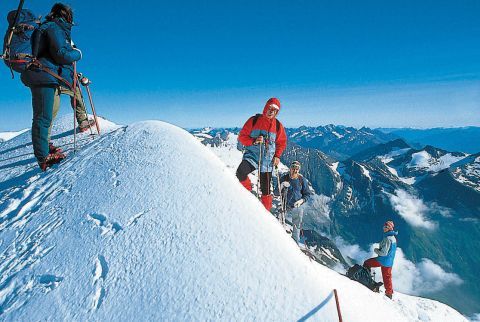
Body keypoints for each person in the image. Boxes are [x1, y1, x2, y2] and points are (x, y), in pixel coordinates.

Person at [20, 3, 93, 171]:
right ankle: (44, 158)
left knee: (48, 113)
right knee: (43, 117)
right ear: (66, 16)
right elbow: (61, 54)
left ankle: (45, 147)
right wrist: (78, 53)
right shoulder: (54, 28)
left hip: (47, 75)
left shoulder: (52, 28)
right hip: (44, 75)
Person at [236, 97, 287, 211]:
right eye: (270, 108)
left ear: (276, 112)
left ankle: (265, 215)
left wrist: (277, 156)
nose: (271, 111)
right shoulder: (253, 120)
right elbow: (242, 137)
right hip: (252, 156)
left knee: (266, 190)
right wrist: (253, 141)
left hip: (267, 161)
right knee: (240, 172)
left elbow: (282, 142)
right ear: (266, 107)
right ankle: (247, 195)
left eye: (274, 110)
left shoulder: (278, 126)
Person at [279, 161, 312, 243]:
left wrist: (301, 201)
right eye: (293, 167)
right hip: (285, 204)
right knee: (279, 220)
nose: (295, 170)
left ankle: (295, 244)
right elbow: (277, 192)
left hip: (298, 205)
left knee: (296, 226)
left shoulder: (302, 180)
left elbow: (307, 194)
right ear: (290, 168)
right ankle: (279, 239)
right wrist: (282, 185)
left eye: (297, 168)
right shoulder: (284, 178)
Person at [363, 220, 398, 299]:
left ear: (389, 228)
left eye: (386, 227)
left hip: (383, 260)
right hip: (389, 261)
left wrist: (376, 250)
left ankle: (367, 280)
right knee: (387, 277)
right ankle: (389, 293)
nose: (384, 228)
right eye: (384, 227)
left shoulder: (387, 239)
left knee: (367, 263)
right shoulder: (393, 238)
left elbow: (384, 253)